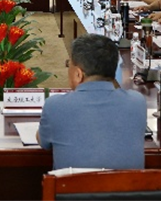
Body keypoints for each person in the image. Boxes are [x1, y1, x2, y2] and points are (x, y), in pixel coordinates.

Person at [38, 34, 146, 170]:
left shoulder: (54, 106)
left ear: (78, 74)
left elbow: (43, 142)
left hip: (73, 184)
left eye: (68, 64)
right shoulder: (137, 102)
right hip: (126, 184)